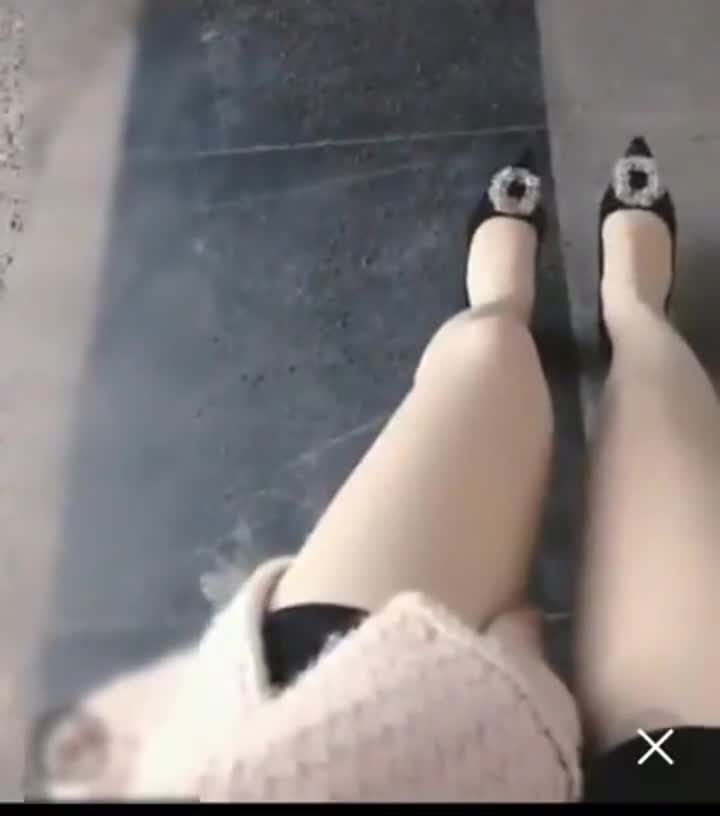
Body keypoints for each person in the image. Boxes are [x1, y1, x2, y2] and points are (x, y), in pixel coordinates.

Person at [29, 138, 720, 801]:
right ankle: (632, 312)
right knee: (669, 733)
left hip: (319, 744)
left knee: (487, 353)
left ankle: (506, 306)